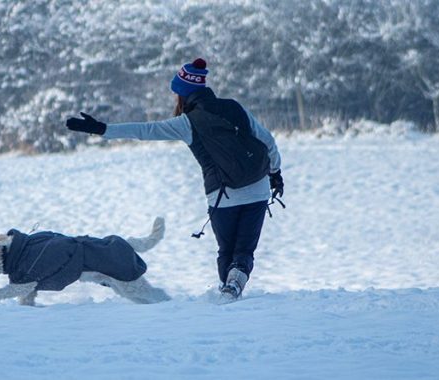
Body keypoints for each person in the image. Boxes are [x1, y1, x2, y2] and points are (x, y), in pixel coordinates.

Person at [65, 58, 283, 301]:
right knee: (244, 249)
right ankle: (235, 281)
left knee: (226, 250)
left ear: (182, 94)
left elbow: (145, 131)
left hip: (223, 196)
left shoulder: (187, 123)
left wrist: (102, 129)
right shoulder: (235, 108)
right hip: (258, 188)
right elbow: (268, 141)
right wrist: (275, 173)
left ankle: (228, 291)